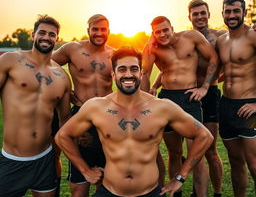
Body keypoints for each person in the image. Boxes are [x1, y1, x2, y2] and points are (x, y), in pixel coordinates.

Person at [55, 46, 214, 197]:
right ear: (113, 74)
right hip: (109, 192)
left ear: (141, 73)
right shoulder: (97, 107)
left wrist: (180, 177)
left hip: (149, 192)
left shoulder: (162, 107)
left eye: (134, 69)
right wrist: (85, 171)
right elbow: (63, 136)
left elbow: (204, 136)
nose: (128, 74)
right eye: (122, 69)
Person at [141, 16, 218, 197]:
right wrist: (148, 45)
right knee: (174, 153)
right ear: (153, 33)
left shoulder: (191, 37)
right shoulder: (154, 48)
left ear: (172, 27)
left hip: (189, 98)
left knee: (197, 156)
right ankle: (176, 194)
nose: (162, 34)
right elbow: (145, 71)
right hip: (167, 99)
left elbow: (214, 57)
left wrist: (205, 87)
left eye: (165, 30)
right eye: (157, 32)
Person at [0, 15, 71, 197]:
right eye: (42, 33)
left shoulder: (62, 77)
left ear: (57, 39)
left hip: (44, 160)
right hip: (12, 160)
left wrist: (56, 157)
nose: (46, 37)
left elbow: (65, 121)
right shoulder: (11, 61)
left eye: (52, 34)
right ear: (33, 35)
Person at [52, 14, 114, 197]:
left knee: (106, 179)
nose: (99, 33)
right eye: (95, 29)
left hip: (107, 116)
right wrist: (65, 90)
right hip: (81, 115)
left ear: (109, 31)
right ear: (88, 30)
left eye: (103, 29)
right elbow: (47, 66)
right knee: (79, 187)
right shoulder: (72, 49)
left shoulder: (114, 54)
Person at [216, 0, 256, 197]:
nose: (231, 15)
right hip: (227, 106)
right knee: (235, 161)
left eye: (236, 11)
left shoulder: (253, 36)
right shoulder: (221, 40)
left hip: (250, 107)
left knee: (254, 164)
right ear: (223, 13)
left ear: (244, 13)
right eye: (228, 11)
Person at [188, 0, 225, 197]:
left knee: (210, 150)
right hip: (189, 95)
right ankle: (197, 191)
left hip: (210, 94)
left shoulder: (221, 38)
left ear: (209, 14)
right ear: (190, 17)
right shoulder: (187, 39)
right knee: (194, 149)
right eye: (195, 14)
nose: (200, 17)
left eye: (203, 13)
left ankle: (217, 193)